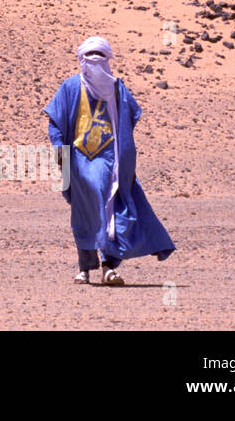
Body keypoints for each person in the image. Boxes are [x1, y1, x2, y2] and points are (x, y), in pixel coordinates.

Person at [44, 36, 175, 285]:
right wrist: (60, 155)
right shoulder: (71, 87)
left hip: (110, 161)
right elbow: (56, 121)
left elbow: (131, 115)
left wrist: (123, 156)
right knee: (85, 213)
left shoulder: (117, 89)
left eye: (100, 57)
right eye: (90, 57)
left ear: (108, 59)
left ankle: (107, 266)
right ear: (81, 60)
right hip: (79, 161)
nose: (95, 62)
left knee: (110, 210)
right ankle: (85, 267)